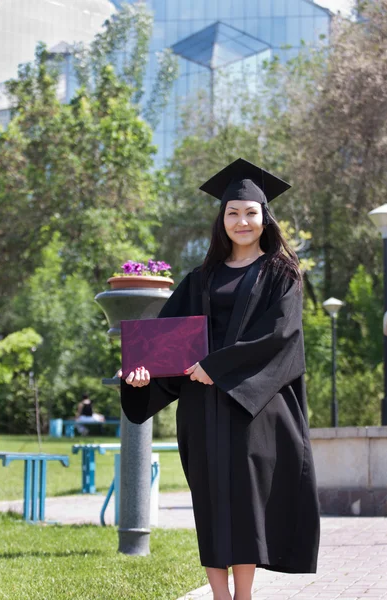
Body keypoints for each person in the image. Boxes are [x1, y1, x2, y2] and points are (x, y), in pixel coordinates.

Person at [118, 158, 320, 600]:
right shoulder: (199, 279)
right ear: (221, 218)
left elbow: (280, 335)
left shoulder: (282, 273)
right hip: (202, 409)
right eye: (233, 212)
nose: (242, 221)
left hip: (252, 408)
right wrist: (139, 373)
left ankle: (242, 597)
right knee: (209, 502)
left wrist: (219, 367)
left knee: (244, 504)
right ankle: (219, 596)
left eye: (250, 212)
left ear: (264, 217)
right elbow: (163, 343)